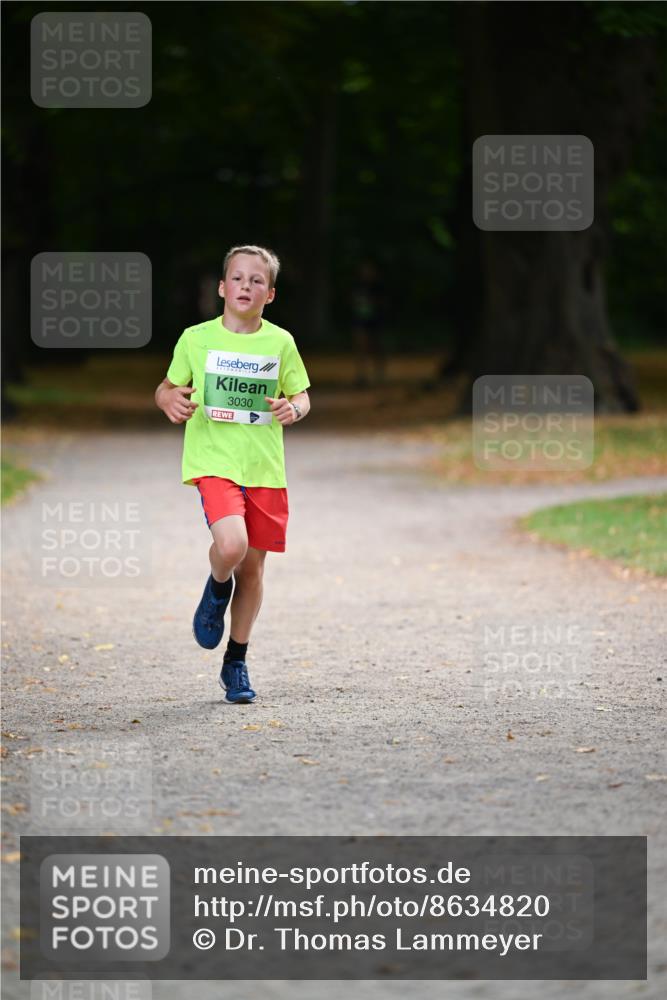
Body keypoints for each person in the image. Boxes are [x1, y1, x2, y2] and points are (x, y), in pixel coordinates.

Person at [155, 245, 311, 703]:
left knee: (255, 569)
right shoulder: (195, 338)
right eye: (238, 279)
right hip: (214, 461)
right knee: (232, 547)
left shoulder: (280, 342)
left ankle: (236, 661)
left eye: (256, 281)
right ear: (223, 288)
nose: (246, 286)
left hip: (264, 467)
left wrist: (292, 409)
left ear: (271, 294)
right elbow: (166, 387)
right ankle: (215, 586)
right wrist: (168, 400)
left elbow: (302, 396)